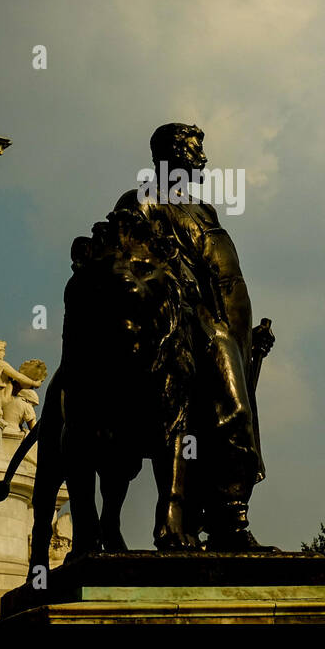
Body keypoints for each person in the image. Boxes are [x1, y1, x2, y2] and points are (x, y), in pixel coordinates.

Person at [113, 123, 267, 550]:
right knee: (231, 414)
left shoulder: (203, 210)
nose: (201, 160)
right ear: (169, 155)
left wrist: (248, 335)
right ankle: (228, 521)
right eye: (192, 151)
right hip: (187, 323)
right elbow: (122, 262)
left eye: (200, 152)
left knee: (233, 419)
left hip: (229, 331)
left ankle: (221, 522)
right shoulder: (143, 203)